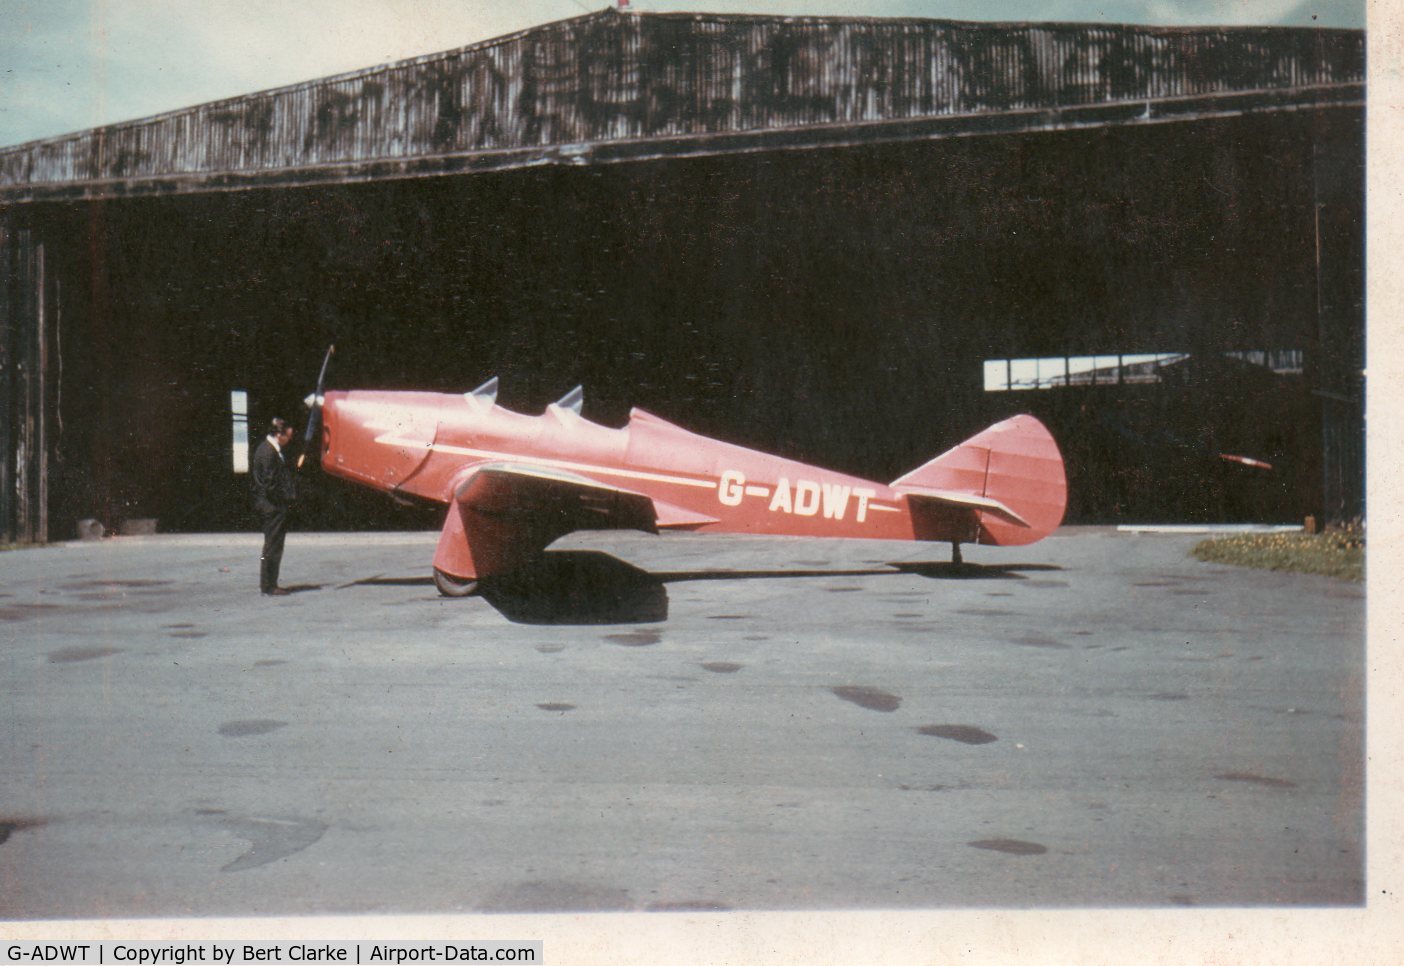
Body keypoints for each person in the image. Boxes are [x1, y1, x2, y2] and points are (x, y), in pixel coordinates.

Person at [251, 417, 299, 596]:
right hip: (272, 506)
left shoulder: (268, 449)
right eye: (288, 436)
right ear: (279, 434)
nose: (289, 440)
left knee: (272, 545)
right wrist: (288, 497)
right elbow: (270, 484)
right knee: (272, 546)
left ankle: (269, 583)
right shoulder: (268, 452)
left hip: (271, 505)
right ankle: (269, 585)